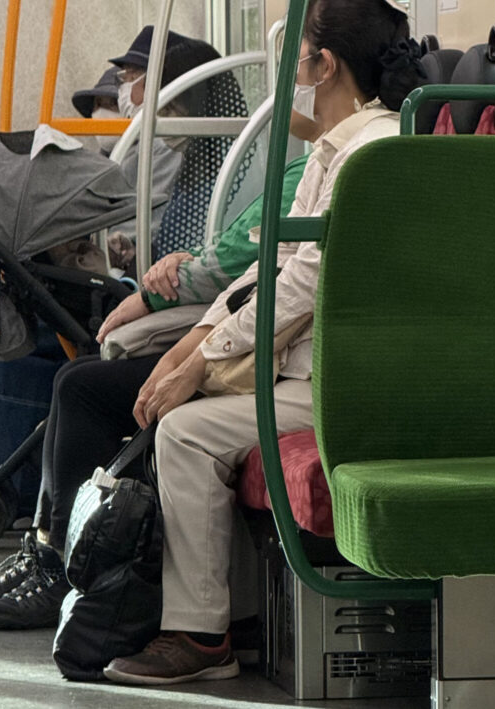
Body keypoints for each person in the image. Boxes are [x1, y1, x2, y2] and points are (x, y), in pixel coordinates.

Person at [96, 0, 427, 685]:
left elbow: (301, 288)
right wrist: (194, 341)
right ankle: (234, 617)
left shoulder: (371, 154)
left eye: (289, 60)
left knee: (185, 433)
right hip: (317, 374)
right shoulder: (334, 150)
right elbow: (265, 267)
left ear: (322, 65)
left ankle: (201, 633)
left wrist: (204, 362)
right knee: (181, 410)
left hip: (345, 388)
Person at [0, 131, 315, 627]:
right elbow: (246, 260)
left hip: (271, 354)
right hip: (244, 328)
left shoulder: (319, 168)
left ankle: (64, 564)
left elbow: (249, 266)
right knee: (77, 376)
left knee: (85, 389)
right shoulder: (312, 164)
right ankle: (47, 549)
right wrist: (175, 277)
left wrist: (161, 303)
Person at [0, 30, 216, 509]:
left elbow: (128, 222)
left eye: (130, 78)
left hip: (124, 285)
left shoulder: (163, 147)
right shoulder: (154, 144)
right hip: (120, 275)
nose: (120, 88)